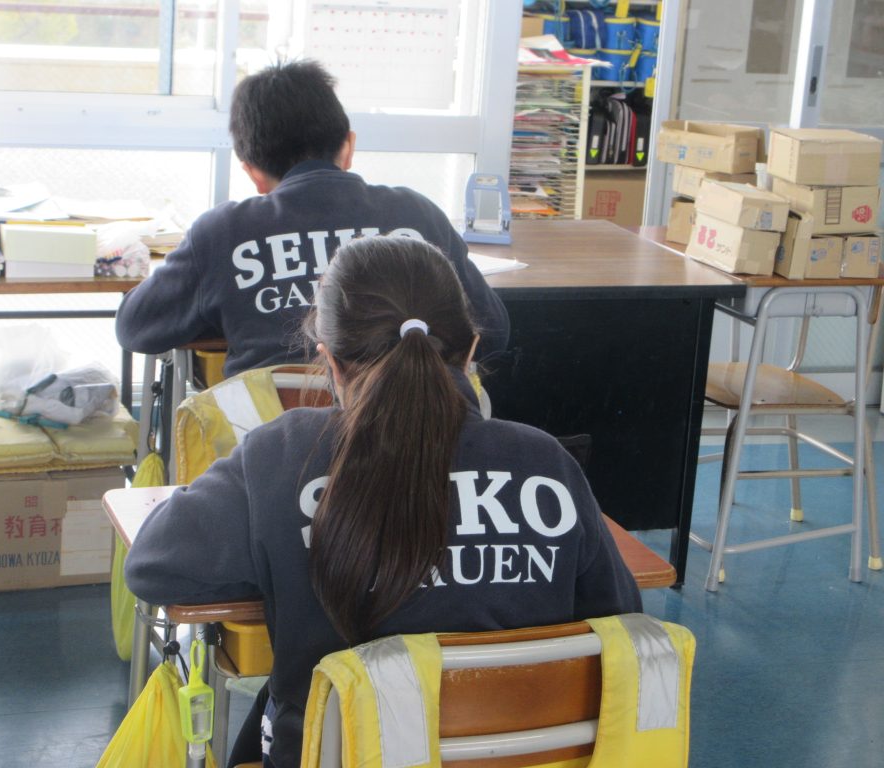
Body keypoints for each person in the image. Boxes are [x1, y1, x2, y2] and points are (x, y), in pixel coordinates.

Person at [124, 235, 642, 768]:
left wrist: (280, 557)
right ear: (470, 351)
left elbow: (154, 567)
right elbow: (621, 620)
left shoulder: (284, 455)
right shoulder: (546, 462)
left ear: (330, 361)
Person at [114, 59, 509, 377]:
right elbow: (491, 331)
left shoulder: (222, 232)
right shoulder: (417, 214)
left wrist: (226, 305)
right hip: (417, 440)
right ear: (348, 146)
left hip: (271, 441)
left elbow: (135, 329)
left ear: (252, 171)